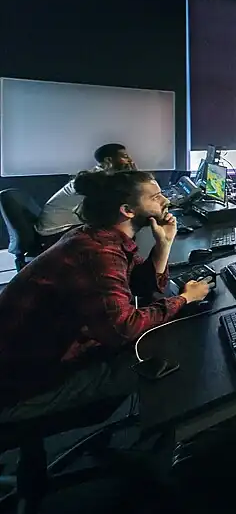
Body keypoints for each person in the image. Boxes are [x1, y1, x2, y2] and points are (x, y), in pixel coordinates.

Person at [0, 170, 210, 421]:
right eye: (155, 197)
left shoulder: (96, 237)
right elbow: (124, 328)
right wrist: (185, 299)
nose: (165, 200)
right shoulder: (98, 254)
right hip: (24, 388)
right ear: (127, 210)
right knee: (162, 360)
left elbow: (138, 286)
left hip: (33, 360)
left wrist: (163, 245)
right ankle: (163, 442)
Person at [36, 143, 137, 239]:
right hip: (55, 232)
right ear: (109, 160)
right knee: (119, 230)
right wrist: (133, 176)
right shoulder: (94, 178)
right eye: (125, 156)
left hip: (63, 228)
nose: (130, 160)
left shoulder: (103, 176)